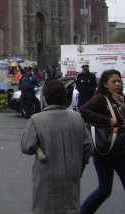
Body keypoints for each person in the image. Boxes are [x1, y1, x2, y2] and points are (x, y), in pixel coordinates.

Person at [21, 80, 93, 214]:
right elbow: (88, 148)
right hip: (71, 175)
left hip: (46, 177)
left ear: (44, 98)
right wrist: (79, 166)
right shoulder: (77, 118)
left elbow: (26, 146)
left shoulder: (37, 119)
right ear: (65, 98)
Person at [79, 69, 125, 214]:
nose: (118, 84)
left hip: (121, 148)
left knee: (105, 189)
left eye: (119, 81)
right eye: (114, 81)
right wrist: (108, 120)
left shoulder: (120, 98)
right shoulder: (101, 98)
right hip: (106, 149)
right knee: (104, 189)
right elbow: (83, 111)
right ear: (105, 84)